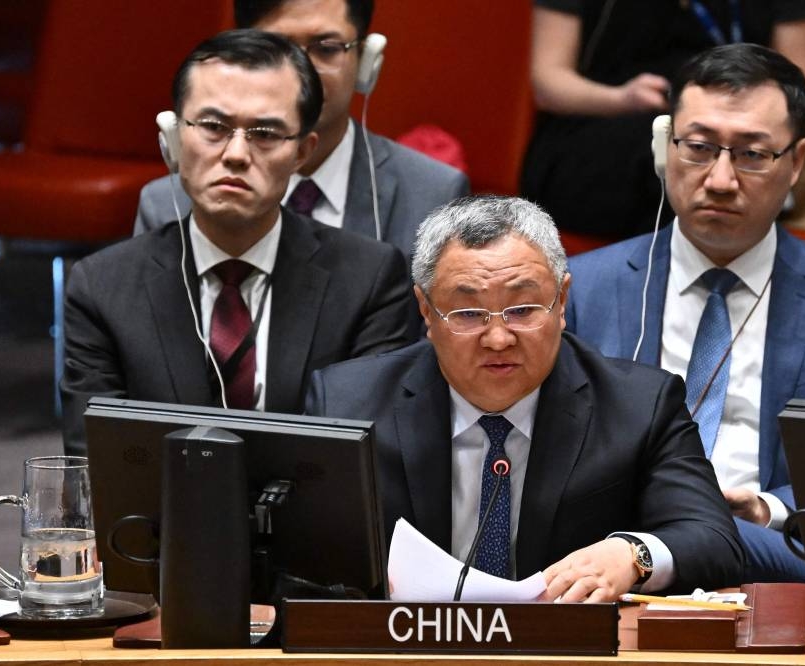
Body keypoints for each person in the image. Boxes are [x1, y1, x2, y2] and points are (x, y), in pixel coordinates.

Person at [567, 43, 805, 586]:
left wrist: (767, 511)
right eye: (698, 147)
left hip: (775, 559)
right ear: (665, 146)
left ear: (795, 162)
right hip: (608, 562)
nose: (721, 179)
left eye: (751, 154)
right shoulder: (586, 286)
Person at [306, 195, 743, 601]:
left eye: (523, 310)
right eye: (468, 313)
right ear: (425, 311)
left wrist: (632, 554)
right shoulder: (348, 406)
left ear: (562, 300)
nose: (498, 338)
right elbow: (303, 560)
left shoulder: (639, 405)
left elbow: (715, 540)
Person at [61, 29, 413, 455]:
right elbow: (95, 465)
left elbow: (367, 459)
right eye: (213, 126)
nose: (236, 154)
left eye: (265, 133)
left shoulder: (369, 281)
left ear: (302, 152)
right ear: (173, 139)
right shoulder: (102, 288)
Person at [134, 0, 469, 262]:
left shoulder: (433, 195)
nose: (301, 75)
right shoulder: (167, 204)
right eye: (276, 49)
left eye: (326, 48)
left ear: (367, 61)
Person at [521, 0, 805, 240]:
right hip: (600, 127)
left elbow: (798, 86)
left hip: (732, 127)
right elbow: (549, 83)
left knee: (711, 153)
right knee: (672, 153)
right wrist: (622, 99)